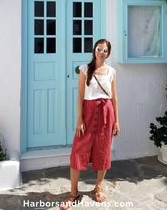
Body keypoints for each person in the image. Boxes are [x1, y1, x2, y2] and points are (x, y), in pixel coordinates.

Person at [60, 39, 120, 210]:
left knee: (103, 149)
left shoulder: (112, 72)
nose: (101, 52)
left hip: (106, 113)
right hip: (88, 112)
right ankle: (73, 193)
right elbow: (80, 96)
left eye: (105, 50)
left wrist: (117, 120)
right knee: (78, 150)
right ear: (94, 50)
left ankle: (98, 187)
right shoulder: (85, 69)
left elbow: (114, 97)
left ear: (108, 53)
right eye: (99, 48)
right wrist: (79, 119)